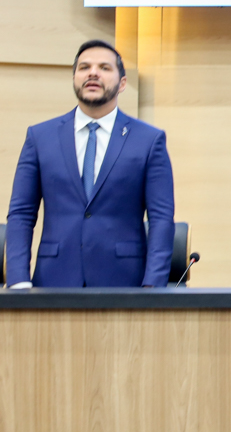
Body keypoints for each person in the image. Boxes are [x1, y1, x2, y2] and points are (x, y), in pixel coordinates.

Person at [5, 40, 175, 287]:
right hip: (53, 281)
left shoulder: (148, 140)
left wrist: (153, 285)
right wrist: (18, 280)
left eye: (104, 68)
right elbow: (21, 213)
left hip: (124, 283)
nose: (93, 73)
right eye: (84, 67)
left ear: (122, 83)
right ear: (74, 78)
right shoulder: (40, 137)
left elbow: (161, 218)